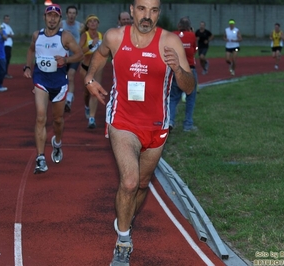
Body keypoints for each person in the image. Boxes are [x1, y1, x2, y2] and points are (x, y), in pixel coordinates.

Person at [83, 0, 195, 264]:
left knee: (142, 184)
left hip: (157, 126)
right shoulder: (114, 37)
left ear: (159, 13)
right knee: (130, 182)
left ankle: (125, 218)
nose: (148, 16)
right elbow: (99, 55)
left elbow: (189, 87)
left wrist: (178, 68)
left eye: (154, 10)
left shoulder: (170, 41)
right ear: (132, 10)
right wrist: (89, 80)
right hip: (122, 122)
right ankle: (123, 241)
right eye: (142, 9)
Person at [23, 4, 83, 174]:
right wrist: (27, 67)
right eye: (49, 15)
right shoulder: (37, 35)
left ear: (59, 19)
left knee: (58, 119)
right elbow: (31, 49)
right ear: (44, 17)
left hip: (59, 82)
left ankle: (57, 142)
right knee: (40, 117)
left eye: (55, 16)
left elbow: (80, 54)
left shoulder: (65, 37)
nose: (52, 19)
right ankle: (40, 158)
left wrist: (67, 60)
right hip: (41, 80)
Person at [169, 17, 197, 132]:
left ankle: (170, 121)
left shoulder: (172, 35)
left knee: (173, 97)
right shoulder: (192, 36)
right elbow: (195, 49)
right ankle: (188, 124)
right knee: (191, 97)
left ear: (178, 25)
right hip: (189, 68)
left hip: (175, 69)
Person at [79, 14, 103, 129]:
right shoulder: (85, 35)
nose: (93, 23)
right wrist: (90, 46)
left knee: (95, 92)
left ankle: (92, 118)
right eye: (91, 21)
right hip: (85, 68)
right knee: (87, 92)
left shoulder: (101, 35)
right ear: (87, 24)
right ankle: (86, 106)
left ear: (98, 24)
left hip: (97, 68)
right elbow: (79, 51)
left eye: (95, 21)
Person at [62, 5, 82, 112]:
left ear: (76, 15)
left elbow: (85, 37)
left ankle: (68, 100)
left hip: (74, 56)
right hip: (63, 56)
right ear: (66, 14)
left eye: (74, 13)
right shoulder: (61, 24)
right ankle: (63, 96)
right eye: (70, 13)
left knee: (70, 76)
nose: (71, 15)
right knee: (62, 78)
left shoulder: (80, 26)